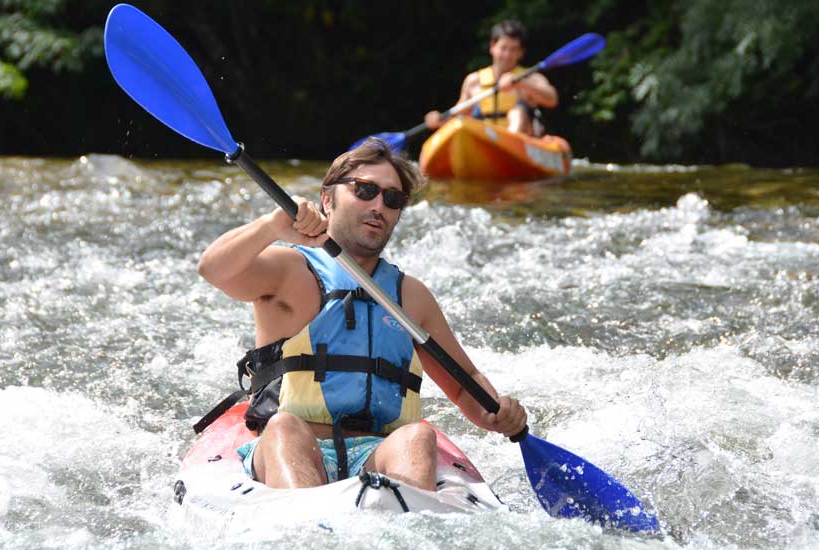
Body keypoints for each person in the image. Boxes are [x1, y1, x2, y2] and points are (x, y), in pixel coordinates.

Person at [197, 138, 526, 491]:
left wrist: (497, 412)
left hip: (379, 450)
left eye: (392, 198)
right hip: (296, 444)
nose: (378, 206)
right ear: (328, 198)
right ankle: (306, 524)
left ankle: (403, 524)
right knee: (285, 428)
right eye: (364, 190)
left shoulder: (410, 296)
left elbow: (464, 384)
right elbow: (214, 270)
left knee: (417, 436)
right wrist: (272, 226)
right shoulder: (291, 271)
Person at [424, 19, 558, 136]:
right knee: (467, 123)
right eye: (503, 48)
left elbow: (552, 99)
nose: (507, 55)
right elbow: (459, 114)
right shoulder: (474, 81)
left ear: (521, 53)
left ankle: (508, 145)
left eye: (513, 50)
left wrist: (522, 83)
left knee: (518, 112)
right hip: (485, 143)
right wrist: (440, 119)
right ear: (492, 47)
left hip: (520, 143)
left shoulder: (530, 77)